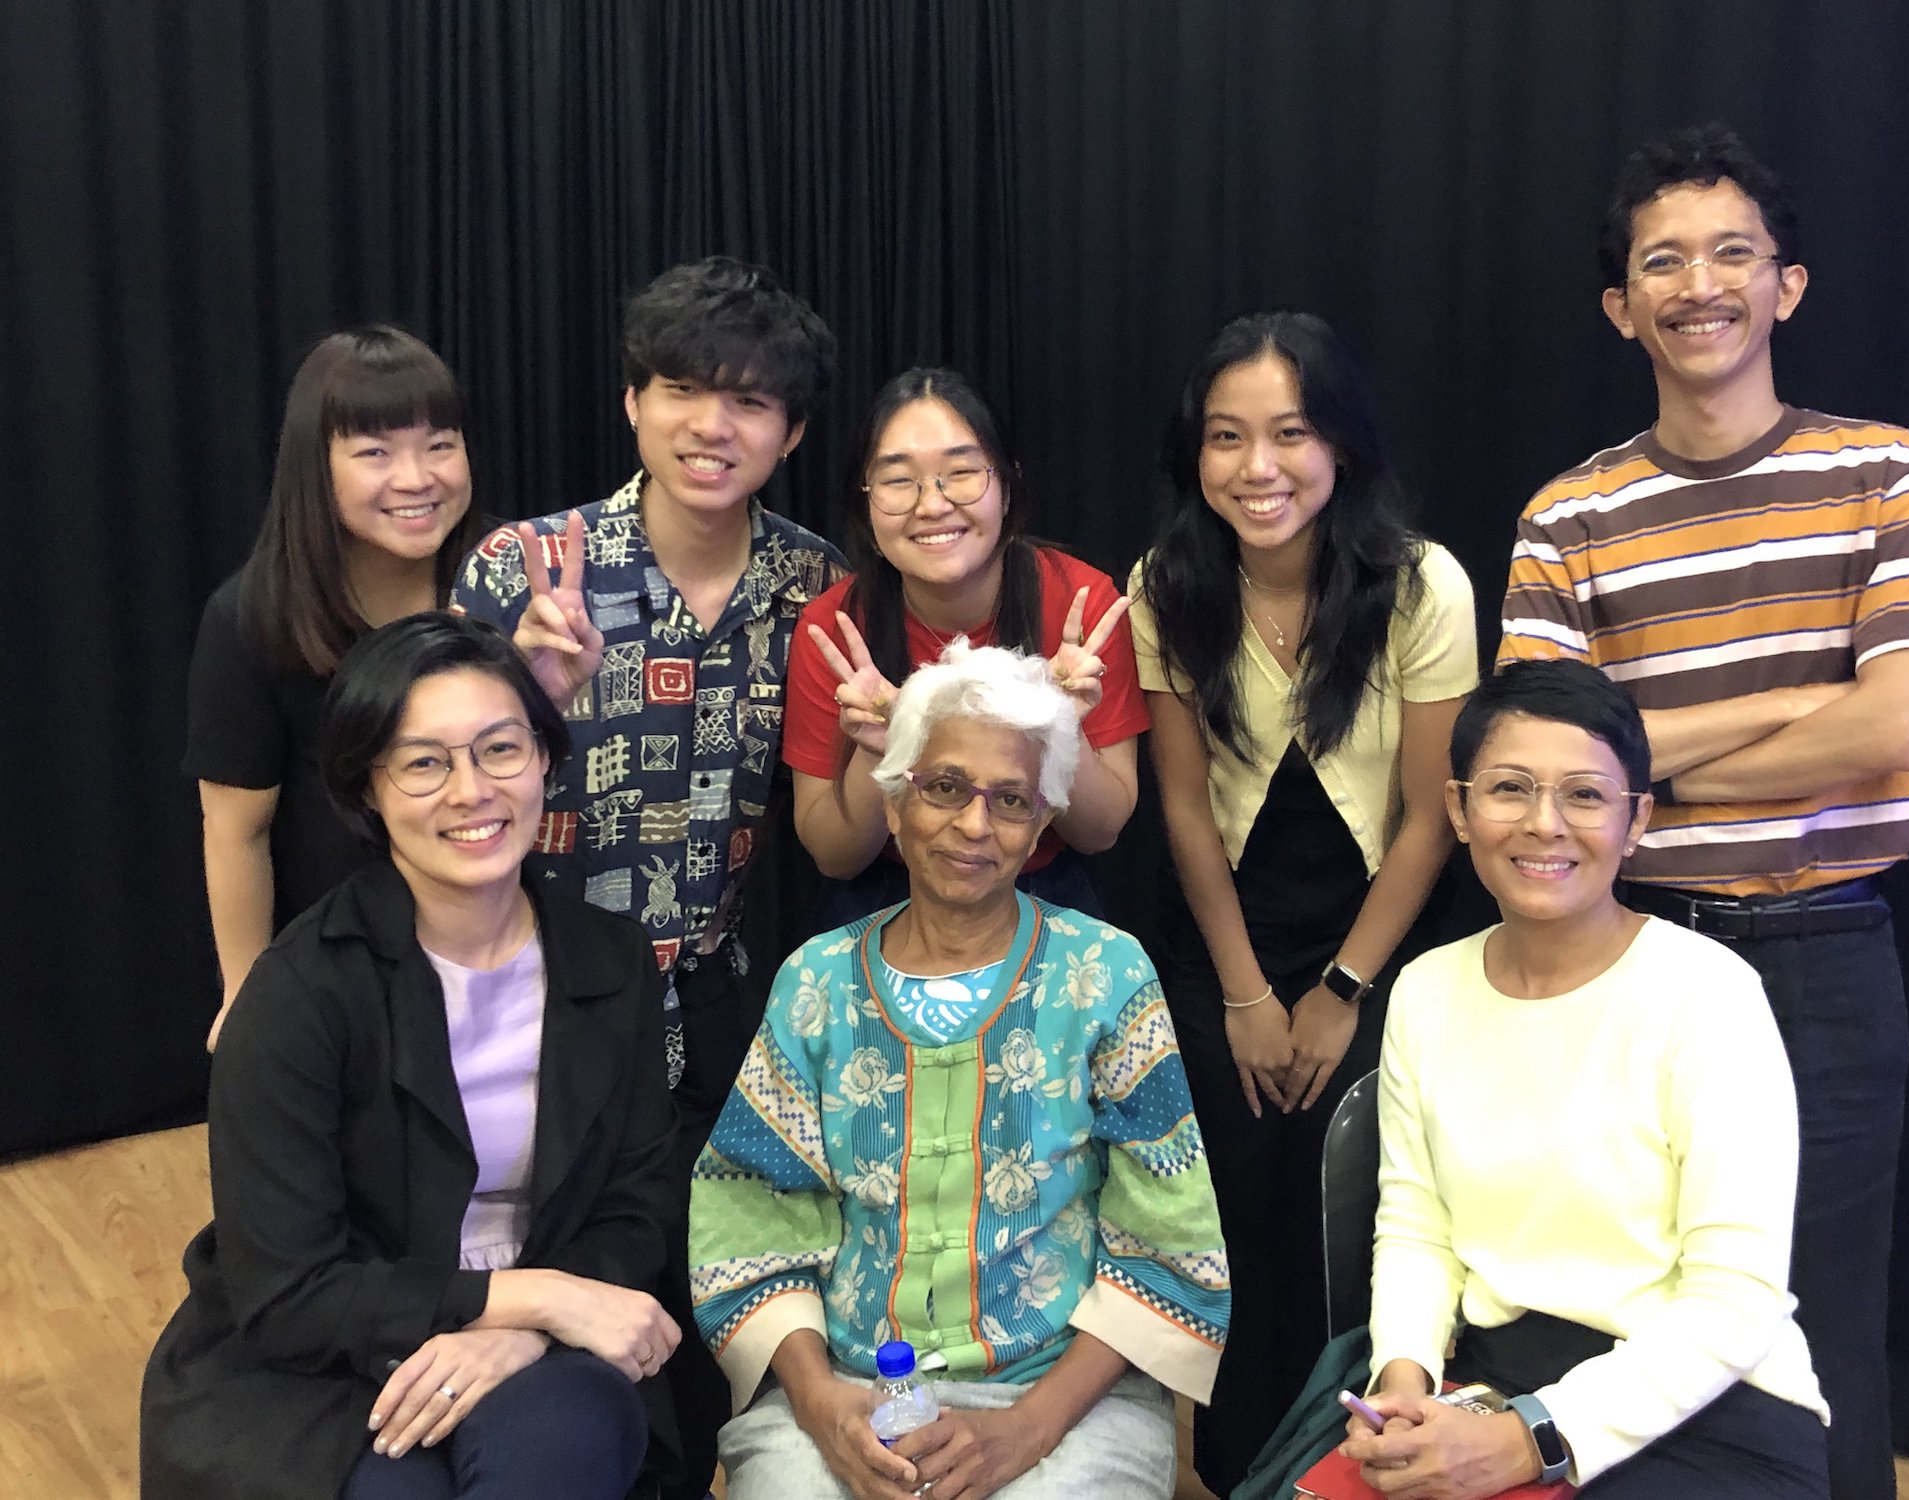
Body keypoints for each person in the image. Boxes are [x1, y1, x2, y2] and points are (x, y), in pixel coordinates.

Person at [1495, 123, 1909, 1500]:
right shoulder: (1567, 517)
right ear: (1620, 307)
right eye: (1663, 261)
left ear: (1788, 286)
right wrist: (1787, 711)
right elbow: (1547, 771)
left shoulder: (1891, 471)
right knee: (1625, 1311)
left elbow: (1902, 726)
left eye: (1732, 253)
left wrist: (1643, 759)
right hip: (1630, 957)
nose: (1698, 283)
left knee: (1822, 1331)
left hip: (1827, 954)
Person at [450, 253, 842, 1496]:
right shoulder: (527, 567)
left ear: (789, 431)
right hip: (548, 992)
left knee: (703, 1276)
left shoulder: (813, 585)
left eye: (748, 402)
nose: (710, 425)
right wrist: (526, 700)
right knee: (572, 1286)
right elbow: (439, 786)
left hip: (715, 984)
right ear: (633, 401)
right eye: (682, 388)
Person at [141, 613, 686, 1500]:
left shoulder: (611, 961)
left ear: (547, 759)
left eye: (501, 749)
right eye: (426, 762)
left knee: (554, 1452)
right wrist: (533, 1299)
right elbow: (288, 1293)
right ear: (368, 790)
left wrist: (530, 1331)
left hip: (547, 1342)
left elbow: (639, 1204)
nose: (472, 790)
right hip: (326, 1360)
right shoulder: (299, 994)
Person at [689, 641, 1229, 1500]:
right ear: (894, 803)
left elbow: (1167, 1237)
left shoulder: (1106, 973)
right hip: (849, 1392)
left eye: (1010, 800)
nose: (974, 825)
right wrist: (824, 1406)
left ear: (1041, 824)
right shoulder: (815, 981)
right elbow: (747, 1219)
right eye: (944, 788)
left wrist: (1024, 1431)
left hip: (1065, 1398)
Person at [1127, 310, 1477, 1494]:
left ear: (1338, 444)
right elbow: (1180, 810)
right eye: (1226, 438)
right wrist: (1241, 994)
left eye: (1288, 433)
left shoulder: (1420, 583)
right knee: (1232, 1204)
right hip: (1223, 944)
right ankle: (1239, 1468)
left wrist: (1337, 992)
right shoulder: (1166, 584)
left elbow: (1433, 817)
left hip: (1379, 941)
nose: (1256, 468)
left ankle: (1363, 1462)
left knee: (1355, 1202)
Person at [1340, 657, 1828, 1497]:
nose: (1544, 824)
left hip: (1710, 1396)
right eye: (1509, 789)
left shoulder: (1708, 994)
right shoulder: (1424, 990)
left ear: (1636, 819)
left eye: (1586, 795)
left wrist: (1536, 1439)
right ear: (1458, 808)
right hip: (1495, 1379)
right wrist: (1403, 1381)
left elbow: (1737, 1300)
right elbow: (1417, 1225)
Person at [187, 325, 482, 1050]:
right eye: (375, 452)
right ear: (315, 467)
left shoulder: (510, 576)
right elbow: (236, 831)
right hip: (341, 967)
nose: (416, 478)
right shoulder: (253, 617)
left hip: (498, 949)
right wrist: (246, 994)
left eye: (439, 443)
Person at [784, 367, 1145, 923]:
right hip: (887, 896)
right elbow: (836, 858)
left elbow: (1101, 833)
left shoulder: (1080, 603)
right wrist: (882, 749)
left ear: (1007, 486)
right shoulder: (834, 629)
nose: (932, 505)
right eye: (898, 480)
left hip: (1041, 891)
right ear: (865, 504)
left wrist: (1056, 725)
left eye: (961, 473)